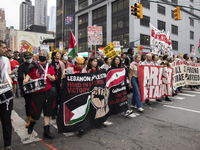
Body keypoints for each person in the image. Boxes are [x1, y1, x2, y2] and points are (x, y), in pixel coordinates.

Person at [23, 50, 56, 139]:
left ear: (46, 57)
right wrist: (26, 79)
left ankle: (46, 131)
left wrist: (51, 77)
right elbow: (29, 75)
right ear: (37, 57)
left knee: (47, 112)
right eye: (40, 54)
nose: (41, 56)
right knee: (36, 113)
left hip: (48, 91)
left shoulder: (49, 66)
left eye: (43, 54)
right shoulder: (33, 66)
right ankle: (32, 123)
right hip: (37, 93)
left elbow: (54, 78)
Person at [64, 56, 86, 134]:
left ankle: (80, 126)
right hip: (71, 93)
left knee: (80, 109)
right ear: (76, 63)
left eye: (82, 64)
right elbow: (65, 79)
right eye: (79, 64)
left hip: (80, 92)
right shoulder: (70, 70)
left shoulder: (83, 70)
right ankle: (72, 124)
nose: (81, 66)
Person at [0, 40, 13, 150]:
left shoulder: (5, 60)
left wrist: (9, 82)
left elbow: (8, 74)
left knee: (6, 120)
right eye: (4, 47)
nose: (6, 49)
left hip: (5, 95)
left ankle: (7, 145)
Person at [18, 52, 33, 128]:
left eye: (30, 58)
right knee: (28, 103)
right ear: (24, 58)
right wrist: (26, 79)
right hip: (26, 87)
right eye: (27, 58)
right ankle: (29, 118)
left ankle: (34, 117)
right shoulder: (22, 66)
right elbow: (20, 75)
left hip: (34, 87)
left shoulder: (34, 64)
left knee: (35, 102)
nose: (29, 59)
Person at [50, 52, 65, 118]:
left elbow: (63, 72)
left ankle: (56, 111)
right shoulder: (50, 62)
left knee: (58, 96)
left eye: (59, 54)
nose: (59, 55)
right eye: (57, 54)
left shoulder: (61, 63)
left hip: (58, 82)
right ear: (54, 56)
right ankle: (52, 111)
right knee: (53, 96)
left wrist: (61, 81)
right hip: (52, 82)